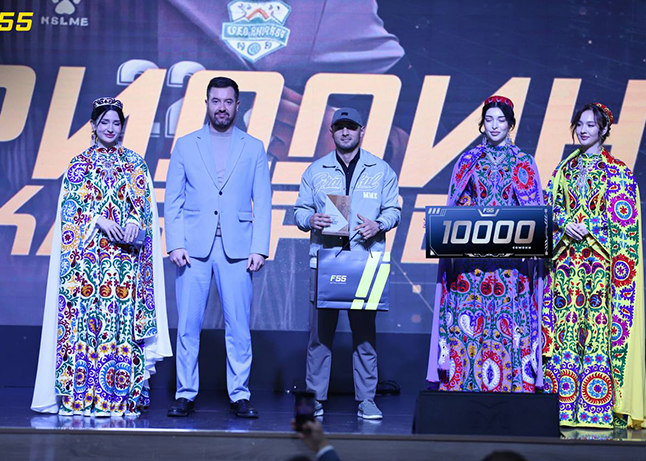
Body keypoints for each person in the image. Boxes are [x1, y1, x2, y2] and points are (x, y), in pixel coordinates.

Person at [31, 97, 171, 416]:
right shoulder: (79, 165)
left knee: (121, 327)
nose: (110, 128)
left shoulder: (134, 164)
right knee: (87, 327)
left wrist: (134, 222)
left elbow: (145, 210)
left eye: (116, 123)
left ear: (123, 127)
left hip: (124, 266)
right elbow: (69, 214)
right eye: (104, 122)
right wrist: (98, 220)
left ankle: (119, 397)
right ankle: (83, 397)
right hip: (88, 267)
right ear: (93, 125)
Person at [543, 103, 646, 429]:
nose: (583, 130)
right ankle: (561, 407)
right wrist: (564, 223)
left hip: (599, 265)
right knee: (565, 331)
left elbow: (625, 220)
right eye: (579, 124)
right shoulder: (563, 169)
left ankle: (596, 409)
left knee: (596, 331)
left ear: (604, 130)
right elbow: (548, 207)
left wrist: (589, 226)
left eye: (590, 125)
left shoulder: (617, 171)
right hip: (566, 265)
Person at [164, 77, 272, 418]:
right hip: (193, 248)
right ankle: (185, 393)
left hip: (238, 248)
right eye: (216, 101)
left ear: (237, 105)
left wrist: (259, 248)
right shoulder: (186, 145)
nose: (221, 107)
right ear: (207, 104)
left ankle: (239, 395)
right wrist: (175, 243)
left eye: (227, 101)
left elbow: (263, 202)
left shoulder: (253, 147)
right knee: (187, 326)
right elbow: (173, 199)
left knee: (238, 327)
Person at [426, 96, 545, 392]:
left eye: (501, 120)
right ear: (482, 123)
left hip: (509, 266)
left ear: (511, 124)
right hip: (472, 265)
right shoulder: (468, 161)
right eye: (489, 119)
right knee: (469, 318)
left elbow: (533, 211)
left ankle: (512, 386)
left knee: (510, 321)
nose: (494, 126)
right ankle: (464, 383)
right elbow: (456, 206)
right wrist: (444, 228)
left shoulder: (524, 162)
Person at [294, 107, 401, 420]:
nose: (345, 132)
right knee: (319, 337)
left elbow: (393, 210)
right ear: (332, 132)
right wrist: (310, 219)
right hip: (325, 260)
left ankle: (367, 400)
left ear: (361, 131)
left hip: (364, 261)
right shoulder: (316, 170)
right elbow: (300, 210)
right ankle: (314, 399)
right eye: (339, 127)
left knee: (365, 336)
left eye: (351, 127)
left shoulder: (381, 170)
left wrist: (378, 224)